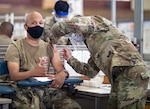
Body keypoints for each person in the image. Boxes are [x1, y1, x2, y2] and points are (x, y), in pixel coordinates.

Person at [49, 15, 149, 109]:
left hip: (132, 72)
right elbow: (90, 72)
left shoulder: (95, 23)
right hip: (119, 77)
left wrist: (52, 43)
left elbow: (62, 26)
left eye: (73, 33)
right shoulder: (94, 44)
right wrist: (70, 59)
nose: (73, 36)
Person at [4, 11, 81, 109]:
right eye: (33, 23)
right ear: (25, 27)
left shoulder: (49, 47)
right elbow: (14, 75)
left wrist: (63, 74)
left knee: (72, 106)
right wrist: (33, 72)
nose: (38, 26)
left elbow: (61, 69)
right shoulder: (15, 47)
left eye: (40, 23)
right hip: (23, 91)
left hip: (45, 90)